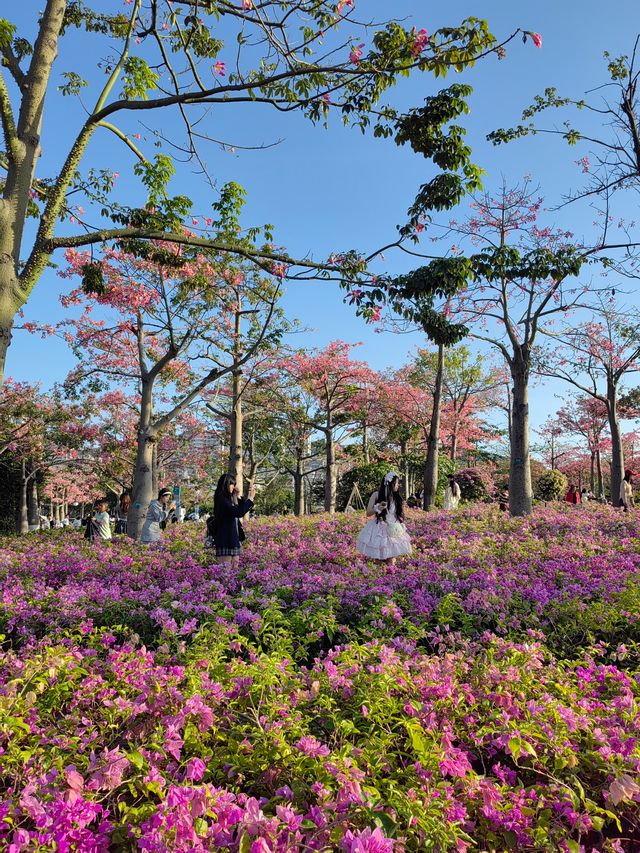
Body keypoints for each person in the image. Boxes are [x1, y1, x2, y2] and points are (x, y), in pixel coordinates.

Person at [356, 471, 412, 564]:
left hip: (393, 529)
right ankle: (379, 576)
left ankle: (391, 576)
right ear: (390, 484)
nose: (398, 485)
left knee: (391, 559)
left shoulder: (396, 497)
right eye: (397, 483)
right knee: (378, 559)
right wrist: (378, 508)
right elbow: (368, 513)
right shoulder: (376, 495)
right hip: (379, 529)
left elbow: (397, 514)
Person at [211, 473, 254, 569]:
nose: (233, 487)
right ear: (225, 484)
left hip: (233, 540)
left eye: (234, 484)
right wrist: (250, 499)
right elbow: (239, 512)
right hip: (225, 541)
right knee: (225, 573)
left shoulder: (228, 500)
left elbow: (239, 510)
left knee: (234, 573)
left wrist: (238, 497)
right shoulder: (221, 500)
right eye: (231, 484)